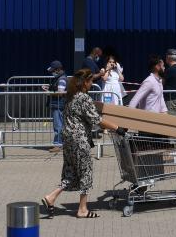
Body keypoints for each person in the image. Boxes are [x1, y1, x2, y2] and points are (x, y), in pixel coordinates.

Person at [40, 68, 124, 219]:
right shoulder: (83, 98)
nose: (92, 84)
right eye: (91, 81)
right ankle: (82, 209)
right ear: (84, 82)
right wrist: (118, 128)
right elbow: (96, 119)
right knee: (85, 172)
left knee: (71, 172)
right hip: (79, 139)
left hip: (68, 139)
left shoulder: (70, 96)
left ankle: (51, 197)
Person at [44, 60, 67, 153]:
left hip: (58, 104)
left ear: (58, 69)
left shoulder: (61, 79)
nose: (52, 72)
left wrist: (49, 93)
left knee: (58, 125)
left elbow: (60, 93)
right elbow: (57, 90)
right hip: (57, 104)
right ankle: (60, 143)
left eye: (53, 70)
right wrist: (49, 88)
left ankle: (58, 144)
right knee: (59, 124)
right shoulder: (59, 78)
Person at [163, 49, 176, 116]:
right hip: (174, 98)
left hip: (171, 99)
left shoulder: (171, 70)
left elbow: (162, 81)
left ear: (168, 57)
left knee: (171, 119)